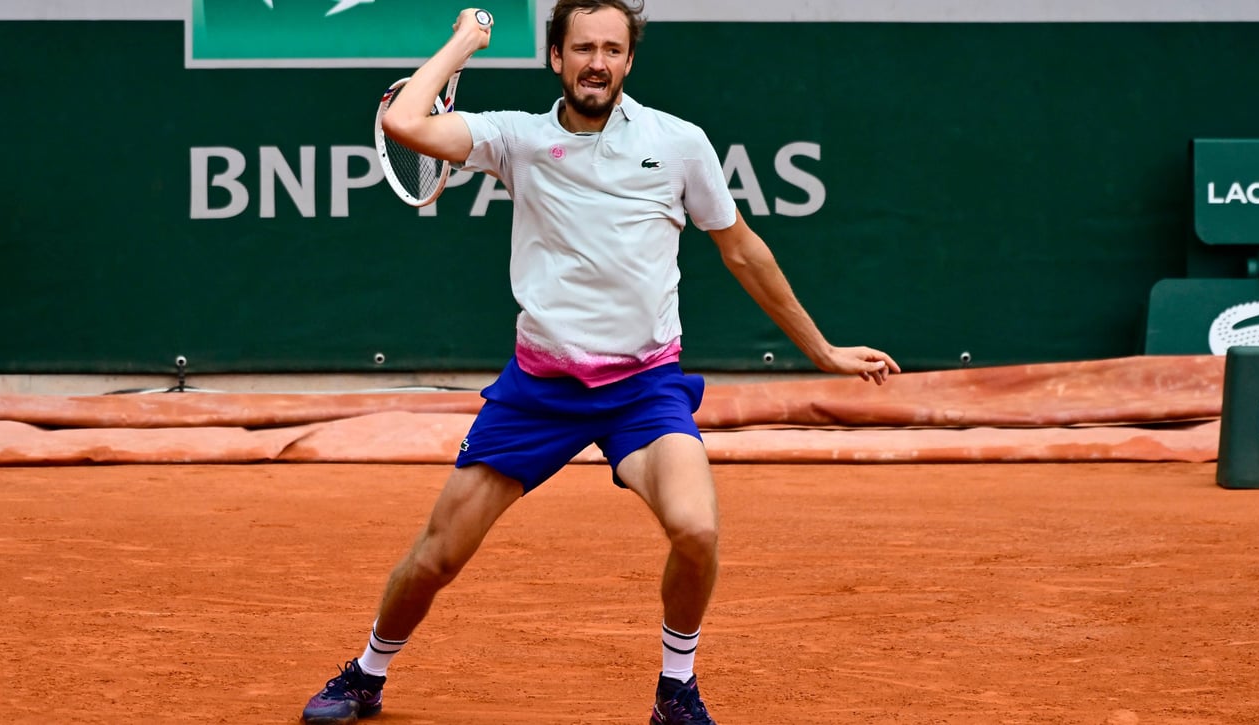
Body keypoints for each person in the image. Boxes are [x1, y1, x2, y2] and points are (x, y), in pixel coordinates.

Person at [301, 2, 900, 723]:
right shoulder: (515, 139)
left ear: (628, 61)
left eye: (612, 49)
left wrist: (822, 349)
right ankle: (368, 672)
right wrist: (464, 41)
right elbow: (404, 122)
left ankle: (675, 688)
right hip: (540, 392)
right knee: (437, 556)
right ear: (556, 58)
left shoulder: (677, 143)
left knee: (698, 528)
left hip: (644, 390)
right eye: (582, 47)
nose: (597, 62)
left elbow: (742, 249)